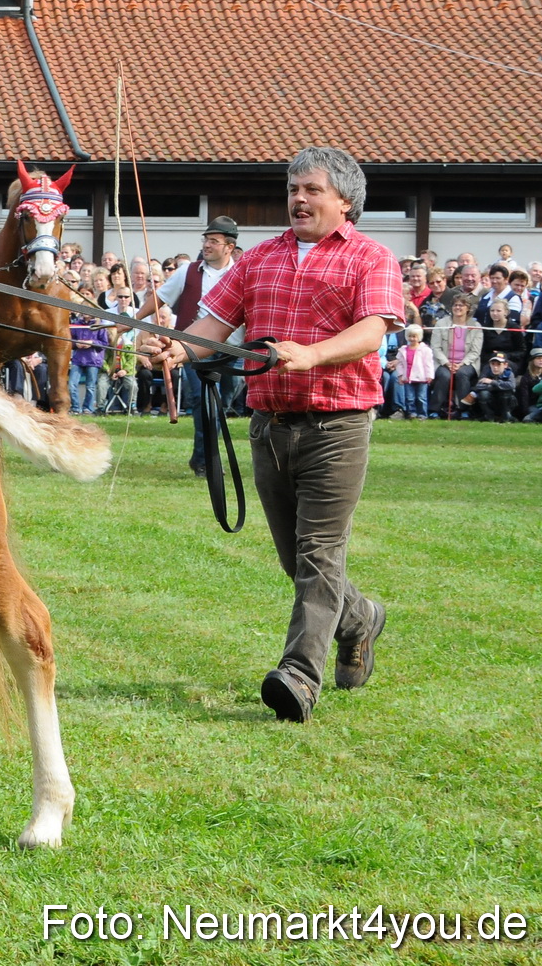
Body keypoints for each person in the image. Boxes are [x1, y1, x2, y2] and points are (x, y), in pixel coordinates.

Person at [149, 147, 396, 723]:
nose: (298, 199)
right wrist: (179, 348)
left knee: (318, 553)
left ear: (344, 199)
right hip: (269, 427)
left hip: (337, 427)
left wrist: (311, 355)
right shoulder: (259, 259)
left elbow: (373, 331)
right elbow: (213, 325)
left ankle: (299, 677)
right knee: (298, 559)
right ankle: (359, 619)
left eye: (311, 189)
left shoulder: (370, 258)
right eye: (293, 188)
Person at [134, 216, 242, 473]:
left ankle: (200, 457)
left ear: (229, 246)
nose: (207, 245)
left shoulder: (242, 272)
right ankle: (207, 462)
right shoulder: (187, 271)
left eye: (213, 241)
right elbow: (161, 297)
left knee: (221, 404)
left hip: (233, 350)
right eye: (205, 240)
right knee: (204, 403)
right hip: (192, 348)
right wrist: (133, 320)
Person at [429, 296, 482, 419]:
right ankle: (435, 410)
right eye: (455, 305)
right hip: (444, 362)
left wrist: (461, 364)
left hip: (467, 363)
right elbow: (435, 347)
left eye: (461, 305)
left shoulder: (475, 325)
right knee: (444, 375)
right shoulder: (441, 324)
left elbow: (475, 351)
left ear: (468, 308)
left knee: (462, 374)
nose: (458, 308)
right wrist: (447, 363)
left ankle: (464, 410)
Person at [66, 313, 105, 414]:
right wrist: (76, 343)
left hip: (93, 359)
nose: (84, 313)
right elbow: (69, 340)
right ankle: (75, 407)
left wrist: (92, 343)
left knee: (90, 386)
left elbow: (104, 344)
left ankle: (87, 408)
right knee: (72, 384)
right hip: (78, 359)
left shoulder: (99, 325)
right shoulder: (76, 324)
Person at [397, 325, 434, 419]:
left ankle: (422, 414)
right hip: (408, 378)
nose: (412, 339)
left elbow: (428, 363)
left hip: (422, 378)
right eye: (410, 336)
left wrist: (429, 375)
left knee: (421, 398)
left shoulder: (425, 350)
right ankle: (411, 413)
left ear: (419, 337)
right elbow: (400, 364)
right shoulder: (403, 350)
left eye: (414, 336)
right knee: (410, 398)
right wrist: (400, 375)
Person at [468, 352, 517, 422]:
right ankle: (489, 416)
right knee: (483, 394)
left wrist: (492, 382)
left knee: (506, 393)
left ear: (505, 365)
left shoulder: (509, 373)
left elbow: (511, 385)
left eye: (499, 364)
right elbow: (478, 386)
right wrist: (496, 387)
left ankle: (506, 416)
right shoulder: (486, 372)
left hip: (505, 402)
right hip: (491, 400)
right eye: (493, 364)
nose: (495, 367)